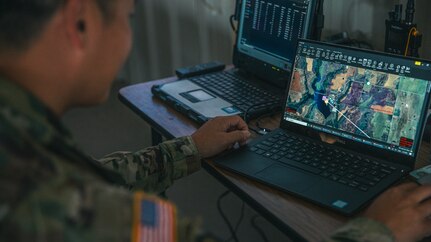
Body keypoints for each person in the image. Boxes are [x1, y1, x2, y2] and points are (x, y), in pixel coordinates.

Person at [1, 0, 431, 242]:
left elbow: (92, 179)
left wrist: (188, 147)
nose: (128, 38)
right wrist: (379, 232)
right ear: (78, 23)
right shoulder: (44, 205)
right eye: (130, 19)